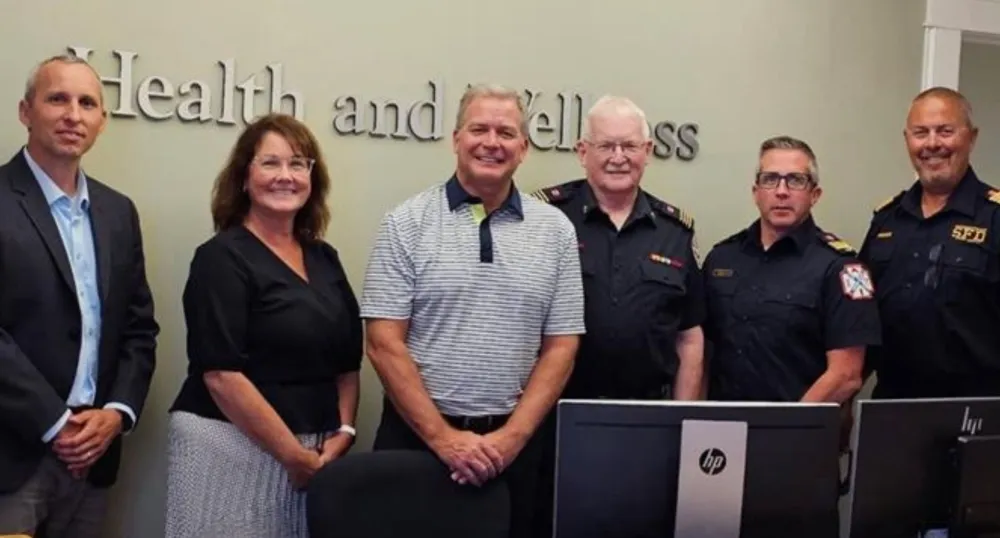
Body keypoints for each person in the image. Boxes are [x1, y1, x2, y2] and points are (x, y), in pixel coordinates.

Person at [359, 84, 585, 538]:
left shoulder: (555, 230)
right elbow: (383, 344)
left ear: (523, 148)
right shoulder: (406, 222)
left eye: (506, 132)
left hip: (515, 451)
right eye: (478, 128)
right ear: (456, 139)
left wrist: (512, 438)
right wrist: (445, 440)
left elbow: (561, 346)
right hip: (416, 443)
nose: (491, 142)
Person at [164, 113, 363, 538]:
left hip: (316, 456)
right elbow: (220, 374)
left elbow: (349, 364)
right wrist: (292, 456)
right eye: (270, 163)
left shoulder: (324, 257)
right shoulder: (220, 258)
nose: (285, 176)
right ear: (244, 177)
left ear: (313, 177)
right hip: (228, 450)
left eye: (298, 164)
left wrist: (344, 431)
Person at [528, 95, 705, 537]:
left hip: (645, 418)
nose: (618, 157)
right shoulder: (544, 218)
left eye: (629, 146)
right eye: (606, 146)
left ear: (647, 152)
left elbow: (690, 338)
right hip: (553, 418)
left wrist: (682, 423)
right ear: (582, 151)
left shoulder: (675, 231)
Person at [0, 54, 159, 537]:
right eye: (57, 99)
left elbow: (138, 328)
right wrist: (53, 422)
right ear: (26, 111)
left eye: (87, 103)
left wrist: (117, 413)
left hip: (94, 459)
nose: (73, 114)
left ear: (101, 121)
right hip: (12, 458)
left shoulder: (117, 212)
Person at [701, 136, 881, 408]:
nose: (782, 191)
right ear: (756, 192)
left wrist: (788, 428)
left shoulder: (843, 268)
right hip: (722, 436)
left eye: (796, 180)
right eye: (770, 179)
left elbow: (846, 375)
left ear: (815, 194)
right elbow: (702, 350)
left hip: (796, 436)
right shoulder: (721, 259)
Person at [859, 87, 1000, 398]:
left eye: (945, 131)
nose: (932, 144)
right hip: (892, 406)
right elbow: (861, 319)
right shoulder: (886, 220)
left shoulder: (994, 218)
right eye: (920, 133)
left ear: (971, 138)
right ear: (907, 140)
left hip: (978, 410)